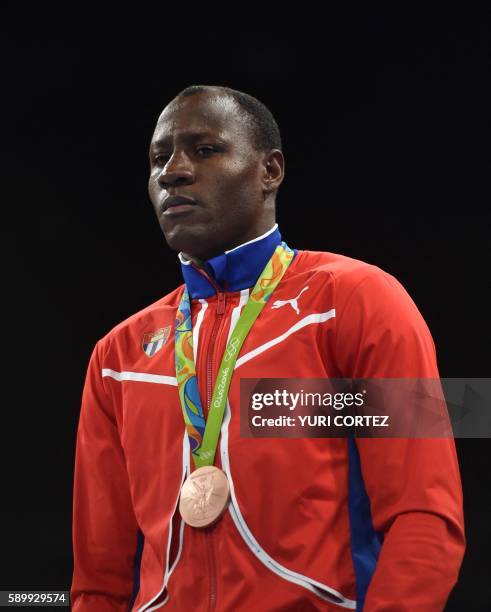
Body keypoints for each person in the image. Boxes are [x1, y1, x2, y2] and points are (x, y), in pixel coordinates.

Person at [70, 85, 465, 611]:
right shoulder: (117, 359)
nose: (173, 172)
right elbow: (98, 579)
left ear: (269, 171)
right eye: (158, 158)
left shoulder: (354, 303)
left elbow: (424, 516)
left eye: (205, 150)